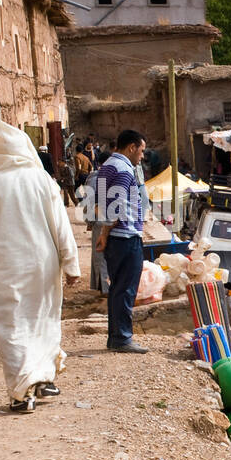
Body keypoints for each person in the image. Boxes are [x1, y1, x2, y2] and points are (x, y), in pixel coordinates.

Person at [0, 119, 81, 412]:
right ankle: (41, 379)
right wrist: (71, 264)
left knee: (12, 325)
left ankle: (22, 393)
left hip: (5, 267)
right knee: (41, 319)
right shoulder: (43, 181)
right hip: (43, 265)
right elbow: (61, 226)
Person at [92, 128, 149, 354]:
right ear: (131, 147)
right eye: (141, 151)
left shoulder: (106, 167)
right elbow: (115, 209)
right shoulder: (125, 170)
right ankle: (122, 338)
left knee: (117, 289)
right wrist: (106, 233)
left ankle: (116, 337)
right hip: (126, 237)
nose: (142, 156)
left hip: (115, 238)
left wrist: (104, 235)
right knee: (126, 290)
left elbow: (103, 205)